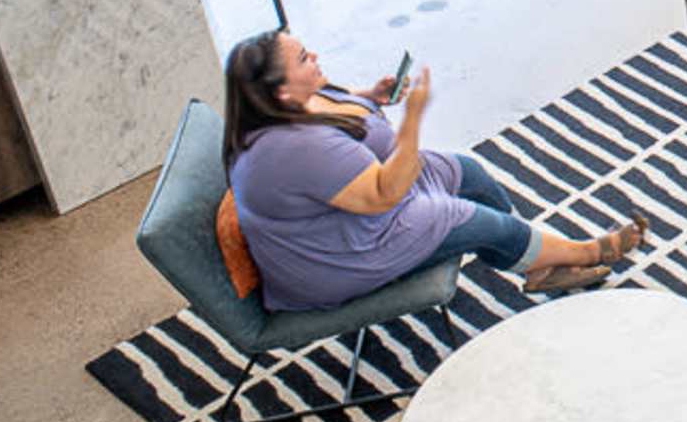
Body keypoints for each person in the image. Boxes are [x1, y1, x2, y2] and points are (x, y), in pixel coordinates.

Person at [219, 31, 645, 308]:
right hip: (342, 251)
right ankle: (589, 251)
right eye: (302, 57)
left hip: (355, 207)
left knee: (469, 173)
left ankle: (538, 267)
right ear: (280, 90)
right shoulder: (294, 147)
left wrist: (372, 96)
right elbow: (383, 193)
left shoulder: (298, 99)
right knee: (475, 221)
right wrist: (413, 119)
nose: (314, 55)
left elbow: (343, 108)